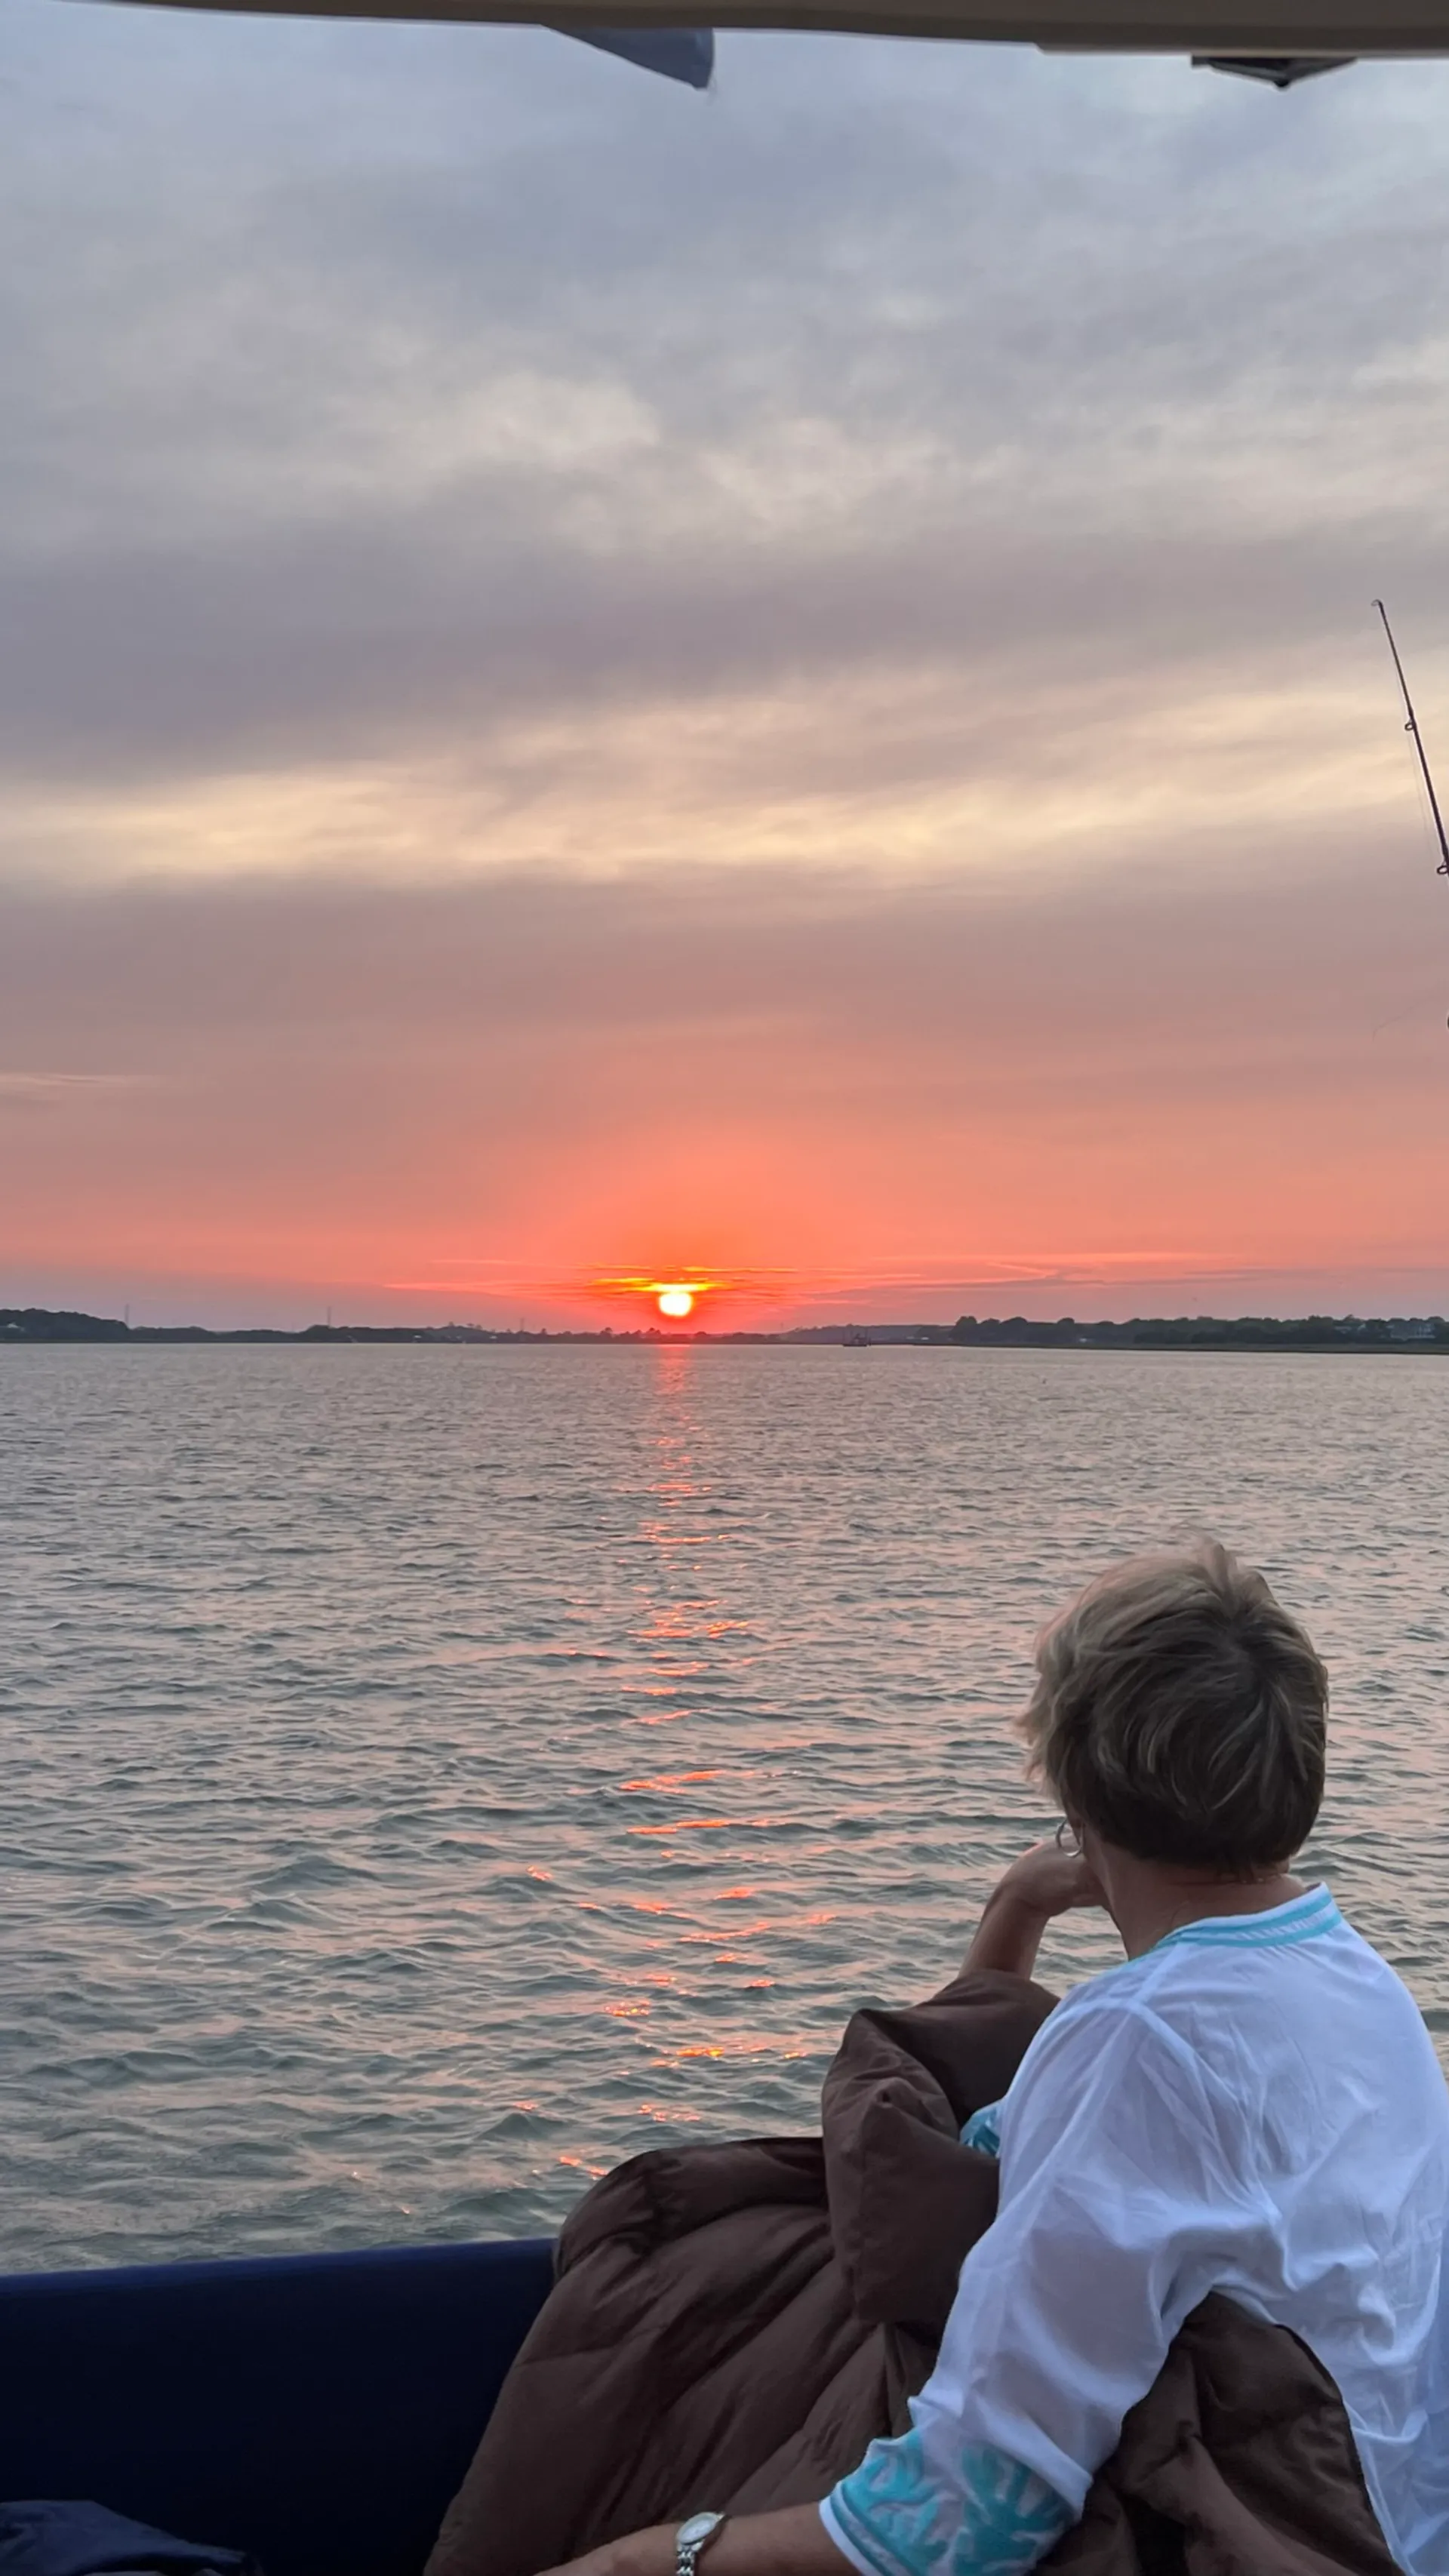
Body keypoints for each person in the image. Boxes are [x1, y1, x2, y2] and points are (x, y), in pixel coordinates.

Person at [541, 1540, 1449, 2576]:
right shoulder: (1360, 1982)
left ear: (1076, 1782)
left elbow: (971, 2516)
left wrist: (662, 2558)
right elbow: (1005, 2148)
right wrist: (1016, 1910)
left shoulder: (1137, 2038)